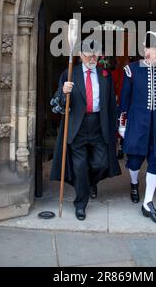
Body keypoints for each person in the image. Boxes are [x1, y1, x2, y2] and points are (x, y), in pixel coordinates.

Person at [50, 39, 121, 221]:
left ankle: (91, 183)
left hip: (99, 125)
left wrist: (116, 128)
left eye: (96, 53)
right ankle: (80, 204)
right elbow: (58, 105)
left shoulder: (105, 75)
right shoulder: (70, 73)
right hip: (77, 127)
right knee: (79, 167)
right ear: (80, 55)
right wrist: (63, 92)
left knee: (101, 164)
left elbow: (111, 104)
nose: (93, 57)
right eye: (89, 54)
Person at [118, 31, 156, 225]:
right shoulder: (131, 70)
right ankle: (134, 184)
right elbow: (124, 100)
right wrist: (122, 122)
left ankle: (148, 202)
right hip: (137, 122)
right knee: (134, 161)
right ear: (146, 50)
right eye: (155, 49)